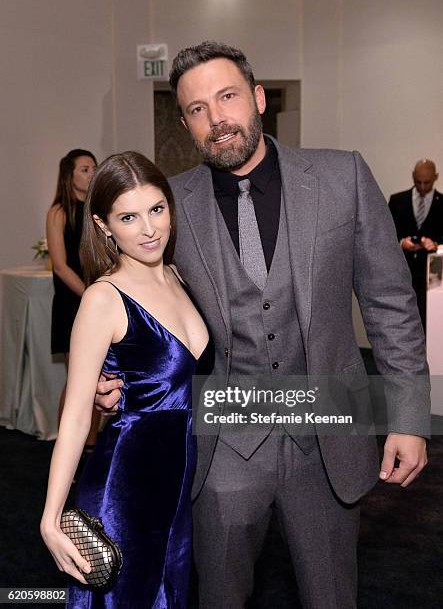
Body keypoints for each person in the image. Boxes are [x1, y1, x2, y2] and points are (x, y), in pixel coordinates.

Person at [95, 42, 430, 608]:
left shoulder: (340, 175)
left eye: (226, 97)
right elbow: (136, 302)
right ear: (185, 122)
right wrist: (115, 377)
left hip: (326, 435)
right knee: (220, 597)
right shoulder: (169, 203)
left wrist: (409, 416)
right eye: (197, 109)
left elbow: (391, 302)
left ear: (256, 98)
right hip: (223, 440)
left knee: (332, 597)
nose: (216, 118)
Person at [41, 151, 211, 608]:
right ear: (103, 225)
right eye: (129, 217)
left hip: (177, 485)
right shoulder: (103, 298)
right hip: (125, 486)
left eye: (157, 209)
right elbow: (76, 417)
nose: (150, 229)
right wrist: (51, 516)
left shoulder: (178, 276)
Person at [46, 149, 101, 461]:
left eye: (93, 166)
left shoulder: (99, 210)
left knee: (98, 379)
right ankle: (66, 450)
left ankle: (91, 446)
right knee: (78, 380)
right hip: (73, 303)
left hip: (97, 302)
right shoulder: (58, 212)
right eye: (84, 168)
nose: (91, 172)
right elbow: (59, 266)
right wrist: (90, 295)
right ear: (69, 175)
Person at [389, 159, 443, 329]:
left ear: (436, 177)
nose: (422, 186)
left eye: (427, 182)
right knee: (400, 322)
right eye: (418, 181)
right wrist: (401, 243)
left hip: (432, 277)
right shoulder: (397, 201)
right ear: (412, 176)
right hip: (401, 273)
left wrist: (435, 245)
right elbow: (386, 234)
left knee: (430, 323)